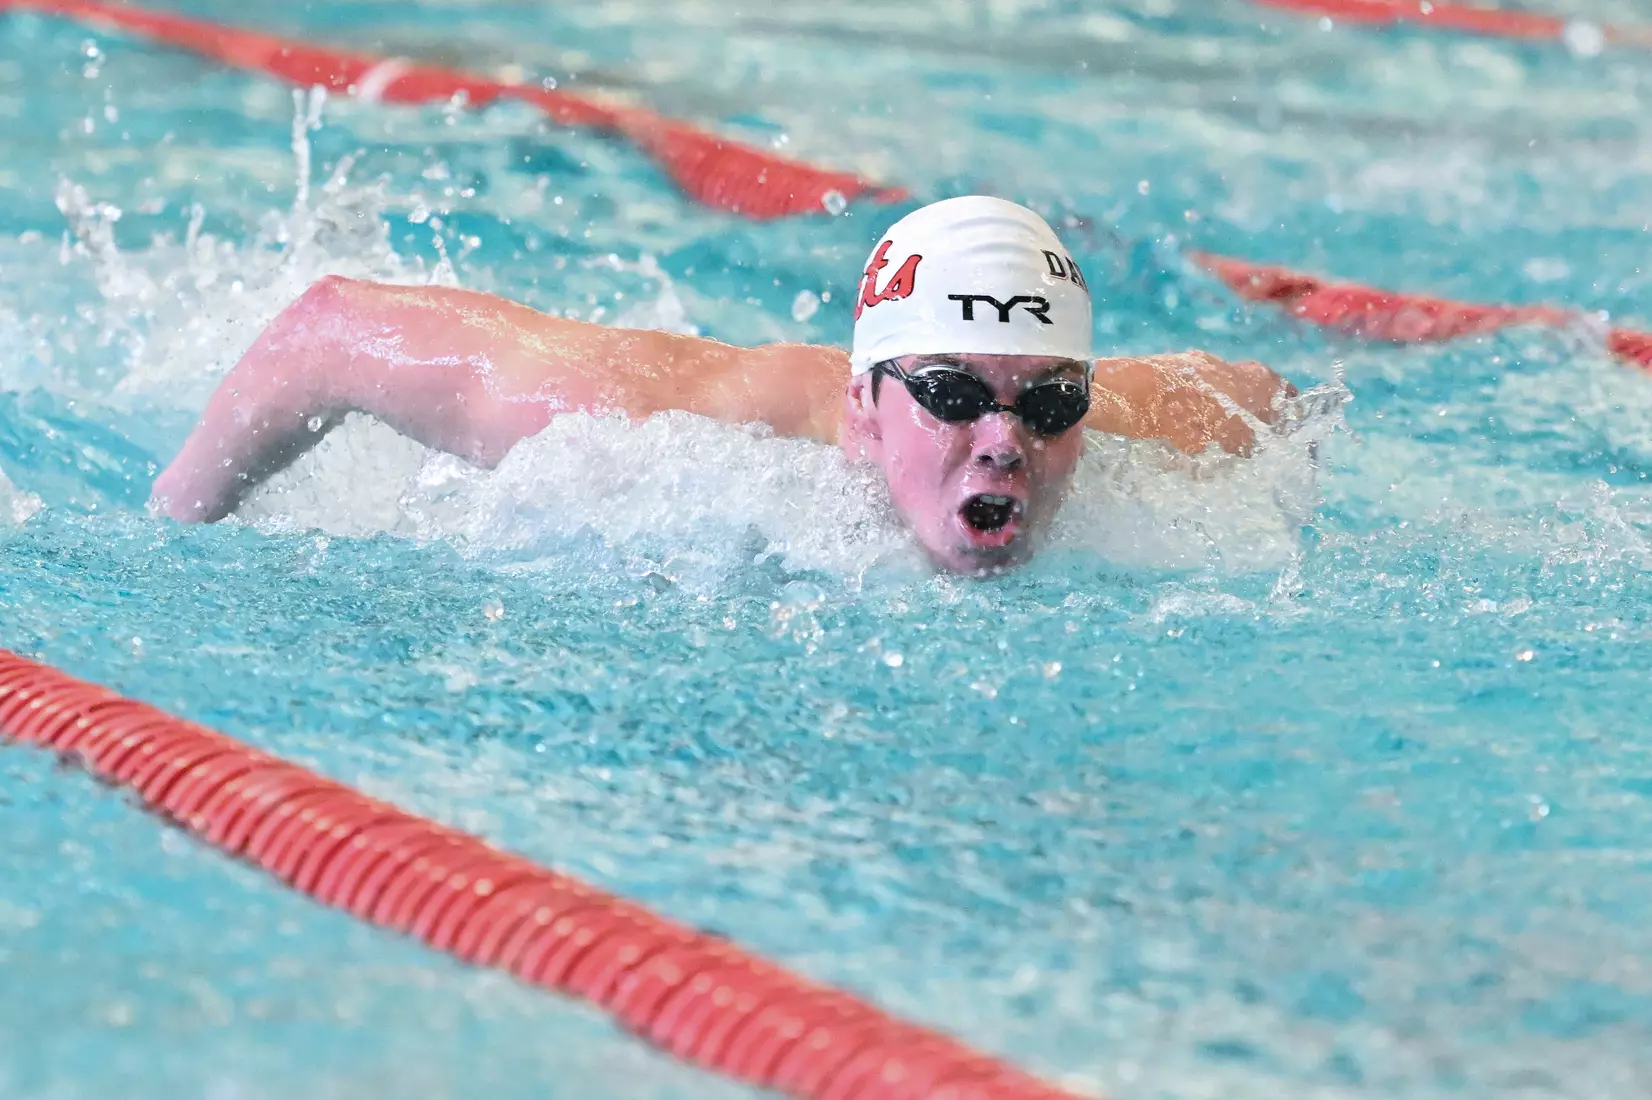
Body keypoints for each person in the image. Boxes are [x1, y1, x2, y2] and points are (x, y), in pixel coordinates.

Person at [150, 196, 1290, 573]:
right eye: (948, 390)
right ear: (862, 402)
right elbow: (328, 327)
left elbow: (1267, 394)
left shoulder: (1140, 434)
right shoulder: (655, 432)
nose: (1004, 437)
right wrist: (168, 540)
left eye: (1044, 402)